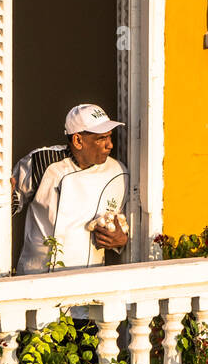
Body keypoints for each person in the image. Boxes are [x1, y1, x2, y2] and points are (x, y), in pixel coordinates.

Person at [12, 104, 130, 274]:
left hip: (87, 278)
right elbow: (12, 202)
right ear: (78, 141)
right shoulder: (43, 162)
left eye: (109, 136)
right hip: (36, 275)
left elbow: (126, 228)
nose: (110, 145)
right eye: (101, 138)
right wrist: (6, 198)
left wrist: (120, 240)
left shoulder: (119, 173)